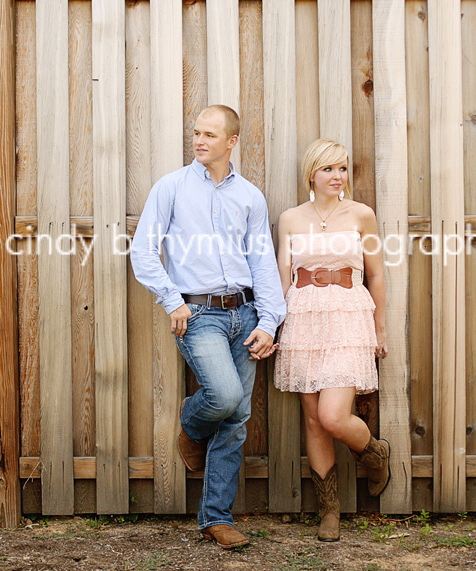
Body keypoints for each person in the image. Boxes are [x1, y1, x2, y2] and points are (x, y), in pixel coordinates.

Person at [131, 105, 286, 549]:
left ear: (231, 141)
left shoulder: (250, 197)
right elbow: (144, 251)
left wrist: (270, 322)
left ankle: (216, 519)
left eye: (210, 135)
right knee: (225, 396)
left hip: (246, 314)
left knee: (236, 418)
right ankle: (192, 425)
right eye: (196, 133)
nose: (199, 141)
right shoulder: (173, 187)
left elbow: (262, 264)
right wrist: (171, 301)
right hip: (197, 315)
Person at [273, 138, 390, 542]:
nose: (337, 177)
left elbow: (374, 273)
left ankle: (374, 452)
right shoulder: (290, 218)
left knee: (333, 416)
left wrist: (381, 327)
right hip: (303, 319)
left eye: (342, 169)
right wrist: (272, 327)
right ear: (311, 174)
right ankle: (329, 511)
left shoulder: (362, 215)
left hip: (347, 317)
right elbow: (281, 277)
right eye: (329, 169)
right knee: (313, 420)